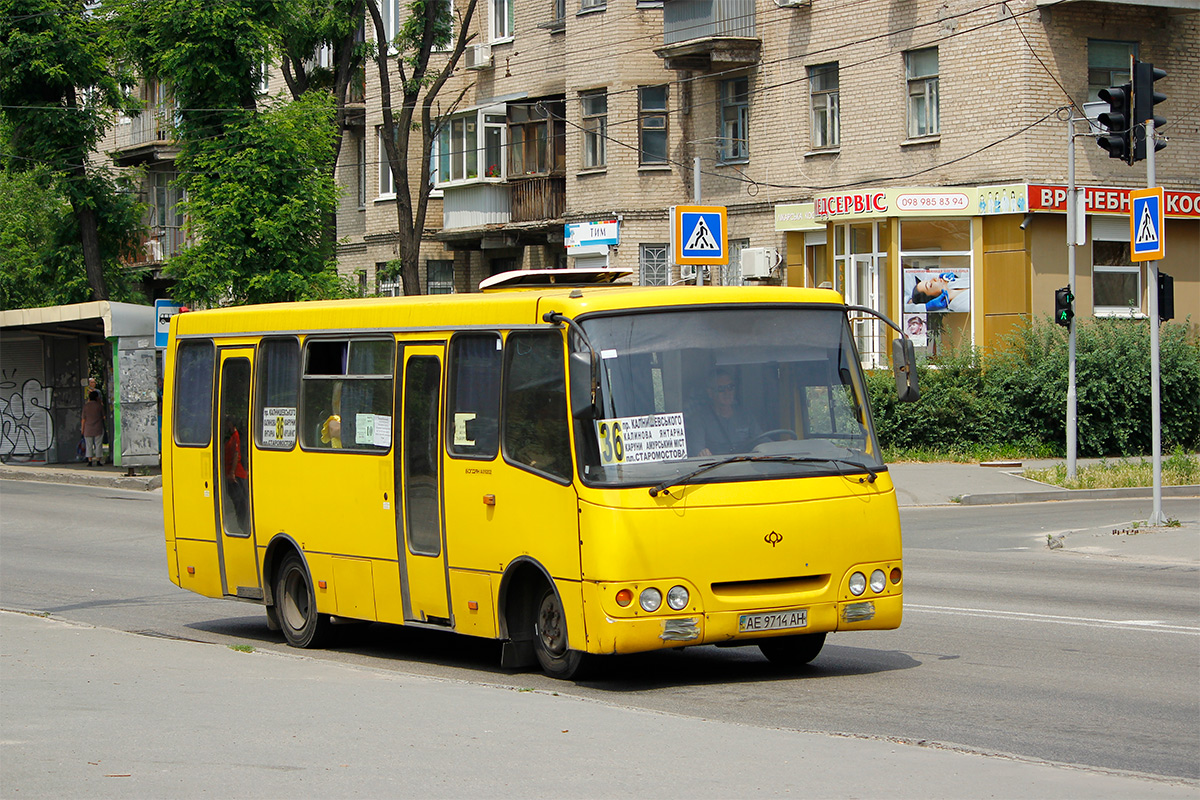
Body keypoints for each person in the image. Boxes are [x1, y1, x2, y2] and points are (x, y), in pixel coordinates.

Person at [687, 369, 762, 457]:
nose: (727, 393)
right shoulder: (699, 419)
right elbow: (698, 450)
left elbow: (762, 440)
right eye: (721, 389)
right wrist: (703, 453)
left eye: (730, 387)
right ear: (710, 393)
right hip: (717, 468)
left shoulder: (745, 415)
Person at [80, 390, 104, 467]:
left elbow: (83, 419)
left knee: (89, 445)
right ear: (97, 397)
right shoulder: (99, 406)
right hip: (98, 428)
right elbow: (104, 417)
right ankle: (98, 460)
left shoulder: (86, 406)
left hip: (88, 428)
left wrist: (82, 429)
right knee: (98, 444)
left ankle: (90, 460)